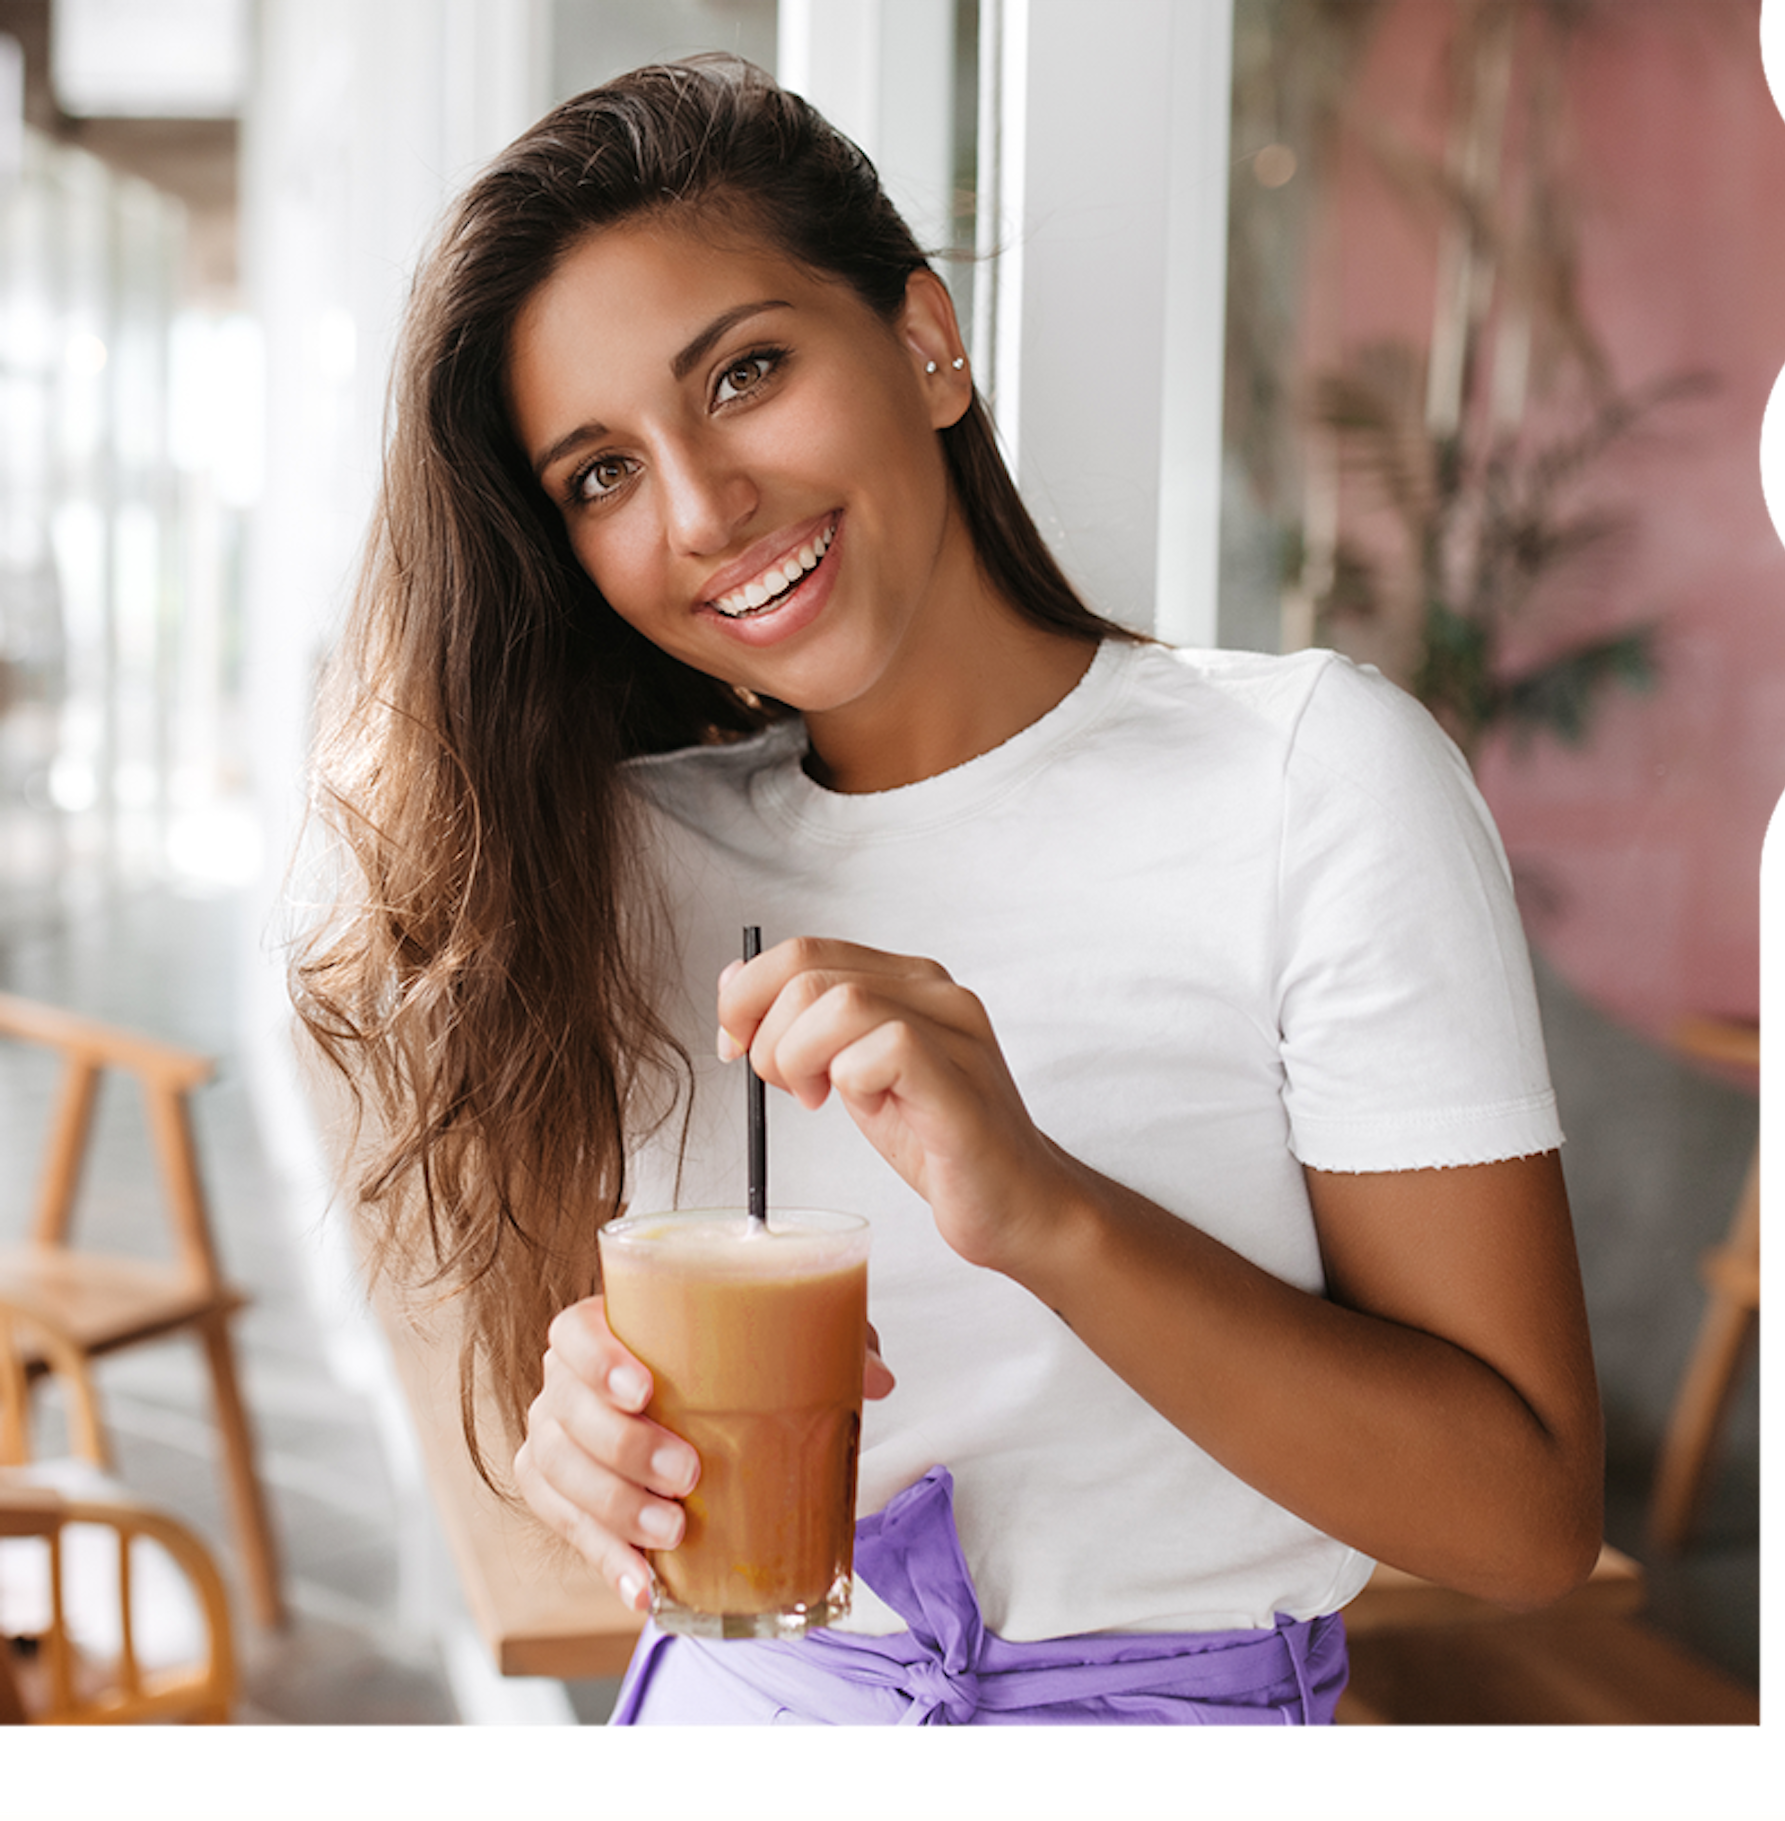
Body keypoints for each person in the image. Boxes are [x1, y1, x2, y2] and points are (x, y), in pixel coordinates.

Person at [291, 54, 1604, 1727]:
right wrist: (585, 1431)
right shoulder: (614, 859)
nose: (702, 510)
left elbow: (1526, 1521)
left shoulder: (1310, 781)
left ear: (924, 342)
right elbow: (610, 1422)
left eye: (745, 373)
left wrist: (1043, 1210)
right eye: (599, 475)